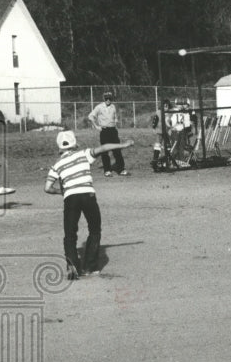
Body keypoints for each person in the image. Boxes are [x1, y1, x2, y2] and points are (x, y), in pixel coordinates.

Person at [44, 130, 134, 279]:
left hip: (70, 198)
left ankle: (72, 266)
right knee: (94, 229)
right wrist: (123, 145)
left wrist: (64, 191)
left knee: (70, 234)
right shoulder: (84, 154)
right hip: (88, 194)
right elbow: (104, 147)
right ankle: (90, 267)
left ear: (59, 148)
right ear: (75, 144)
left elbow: (47, 188)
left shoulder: (57, 165)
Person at [88, 92, 127, 176]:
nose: (108, 100)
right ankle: (107, 170)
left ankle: (121, 169)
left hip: (113, 131)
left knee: (117, 150)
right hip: (104, 131)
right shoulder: (99, 107)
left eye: (110, 98)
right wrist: (96, 126)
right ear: (104, 99)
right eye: (106, 98)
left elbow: (115, 118)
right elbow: (91, 116)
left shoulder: (113, 107)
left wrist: (115, 128)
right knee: (104, 151)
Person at [150, 99, 172, 171]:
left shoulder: (168, 113)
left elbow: (169, 122)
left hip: (166, 132)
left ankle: (167, 158)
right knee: (158, 145)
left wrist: (170, 128)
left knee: (168, 145)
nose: (165, 108)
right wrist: (154, 127)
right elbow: (155, 120)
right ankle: (155, 159)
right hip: (159, 131)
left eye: (167, 106)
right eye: (164, 106)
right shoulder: (159, 112)